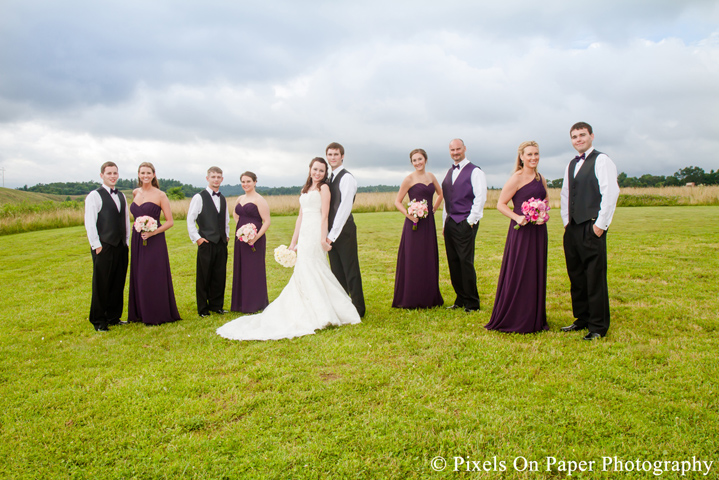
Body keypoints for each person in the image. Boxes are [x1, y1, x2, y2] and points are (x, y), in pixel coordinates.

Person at [217, 157, 361, 341]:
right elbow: (300, 218)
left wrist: (324, 239)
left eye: (321, 171)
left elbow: (324, 215)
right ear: (310, 169)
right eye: (315, 169)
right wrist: (293, 243)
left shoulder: (323, 188)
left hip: (316, 231)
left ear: (325, 174)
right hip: (304, 233)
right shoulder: (305, 189)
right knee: (303, 268)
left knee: (315, 267)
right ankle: (308, 307)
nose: (317, 173)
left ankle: (327, 310)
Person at [560, 122, 620, 340]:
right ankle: (582, 319)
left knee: (594, 277)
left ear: (591, 136)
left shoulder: (601, 160)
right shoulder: (571, 164)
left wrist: (599, 226)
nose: (578, 139)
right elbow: (566, 194)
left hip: (592, 225)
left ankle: (598, 326)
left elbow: (610, 193)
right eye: (574, 136)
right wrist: (567, 222)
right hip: (573, 227)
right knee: (576, 275)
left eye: (582, 135)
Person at [485, 141, 549, 333]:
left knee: (535, 270)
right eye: (529, 154)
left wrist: (543, 213)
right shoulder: (517, 177)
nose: (533, 158)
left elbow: (545, 201)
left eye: (536, 154)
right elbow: (501, 204)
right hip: (521, 231)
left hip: (538, 231)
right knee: (520, 270)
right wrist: (518, 217)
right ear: (521, 157)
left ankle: (533, 316)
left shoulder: (541, 178)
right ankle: (515, 315)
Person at [127, 162, 181, 326]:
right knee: (139, 274)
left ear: (154, 174)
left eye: (148, 173)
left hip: (155, 239)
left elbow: (170, 222)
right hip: (137, 239)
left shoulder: (160, 195)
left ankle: (157, 312)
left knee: (152, 274)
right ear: (138, 174)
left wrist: (153, 232)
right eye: (142, 173)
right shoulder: (135, 192)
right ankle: (140, 312)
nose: (145, 176)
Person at [392, 148, 444, 309]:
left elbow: (440, 194)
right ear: (412, 162)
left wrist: (434, 209)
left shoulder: (431, 176)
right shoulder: (408, 179)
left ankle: (429, 295)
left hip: (428, 223)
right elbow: (397, 202)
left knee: (427, 256)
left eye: (420, 159)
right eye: (414, 160)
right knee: (414, 258)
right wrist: (409, 215)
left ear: (425, 160)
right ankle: (411, 296)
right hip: (414, 224)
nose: (417, 163)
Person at [441, 139, 487, 312]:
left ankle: (472, 302)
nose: (455, 152)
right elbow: (448, 201)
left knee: (465, 262)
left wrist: (471, 221)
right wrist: (445, 223)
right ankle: (460, 299)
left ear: (464, 149)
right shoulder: (449, 172)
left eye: (458, 149)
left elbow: (480, 197)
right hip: (451, 222)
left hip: (465, 223)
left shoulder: (475, 171)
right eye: (452, 150)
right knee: (453, 262)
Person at [84, 161, 131, 332]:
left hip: (120, 246)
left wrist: (126, 242)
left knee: (118, 282)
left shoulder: (121, 196)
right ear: (102, 175)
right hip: (103, 246)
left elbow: (125, 220)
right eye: (109, 173)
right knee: (102, 284)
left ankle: (113, 316)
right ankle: (98, 320)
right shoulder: (94, 196)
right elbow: (90, 222)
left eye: (115, 173)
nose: (112, 176)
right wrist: (96, 245)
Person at [325, 142, 366, 317]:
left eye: (336, 154)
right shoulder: (329, 178)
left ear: (342, 156)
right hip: (330, 232)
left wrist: (332, 234)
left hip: (344, 230)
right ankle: (343, 305)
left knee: (350, 269)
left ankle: (358, 308)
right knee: (336, 270)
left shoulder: (347, 178)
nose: (332, 157)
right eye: (330, 154)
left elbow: (344, 208)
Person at [187, 166, 230, 318]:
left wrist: (227, 235)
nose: (216, 179)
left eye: (219, 177)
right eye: (213, 177)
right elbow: (190, 219)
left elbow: (225, 220)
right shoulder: (199, 197)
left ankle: (216, 306)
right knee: (204, 276)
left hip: (221, 242)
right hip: (206, 242)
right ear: (207, 178)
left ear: (222, 179)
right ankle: (203, 308)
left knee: (219, 275)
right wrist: (197, 239)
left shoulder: (223, 198)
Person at [231, 171, 270, 313]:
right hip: (241, 239)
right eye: (243, 181)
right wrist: (242, 230)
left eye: (248, 181)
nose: (245, 184)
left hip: (255, 239)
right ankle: (240, 303)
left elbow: (267, 221)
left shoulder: (259, 200)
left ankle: (255, 303)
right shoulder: (240, 198)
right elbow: (235, 214)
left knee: (253, 269)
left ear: (254, 182)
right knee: (241, 267)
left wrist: (255, 236)